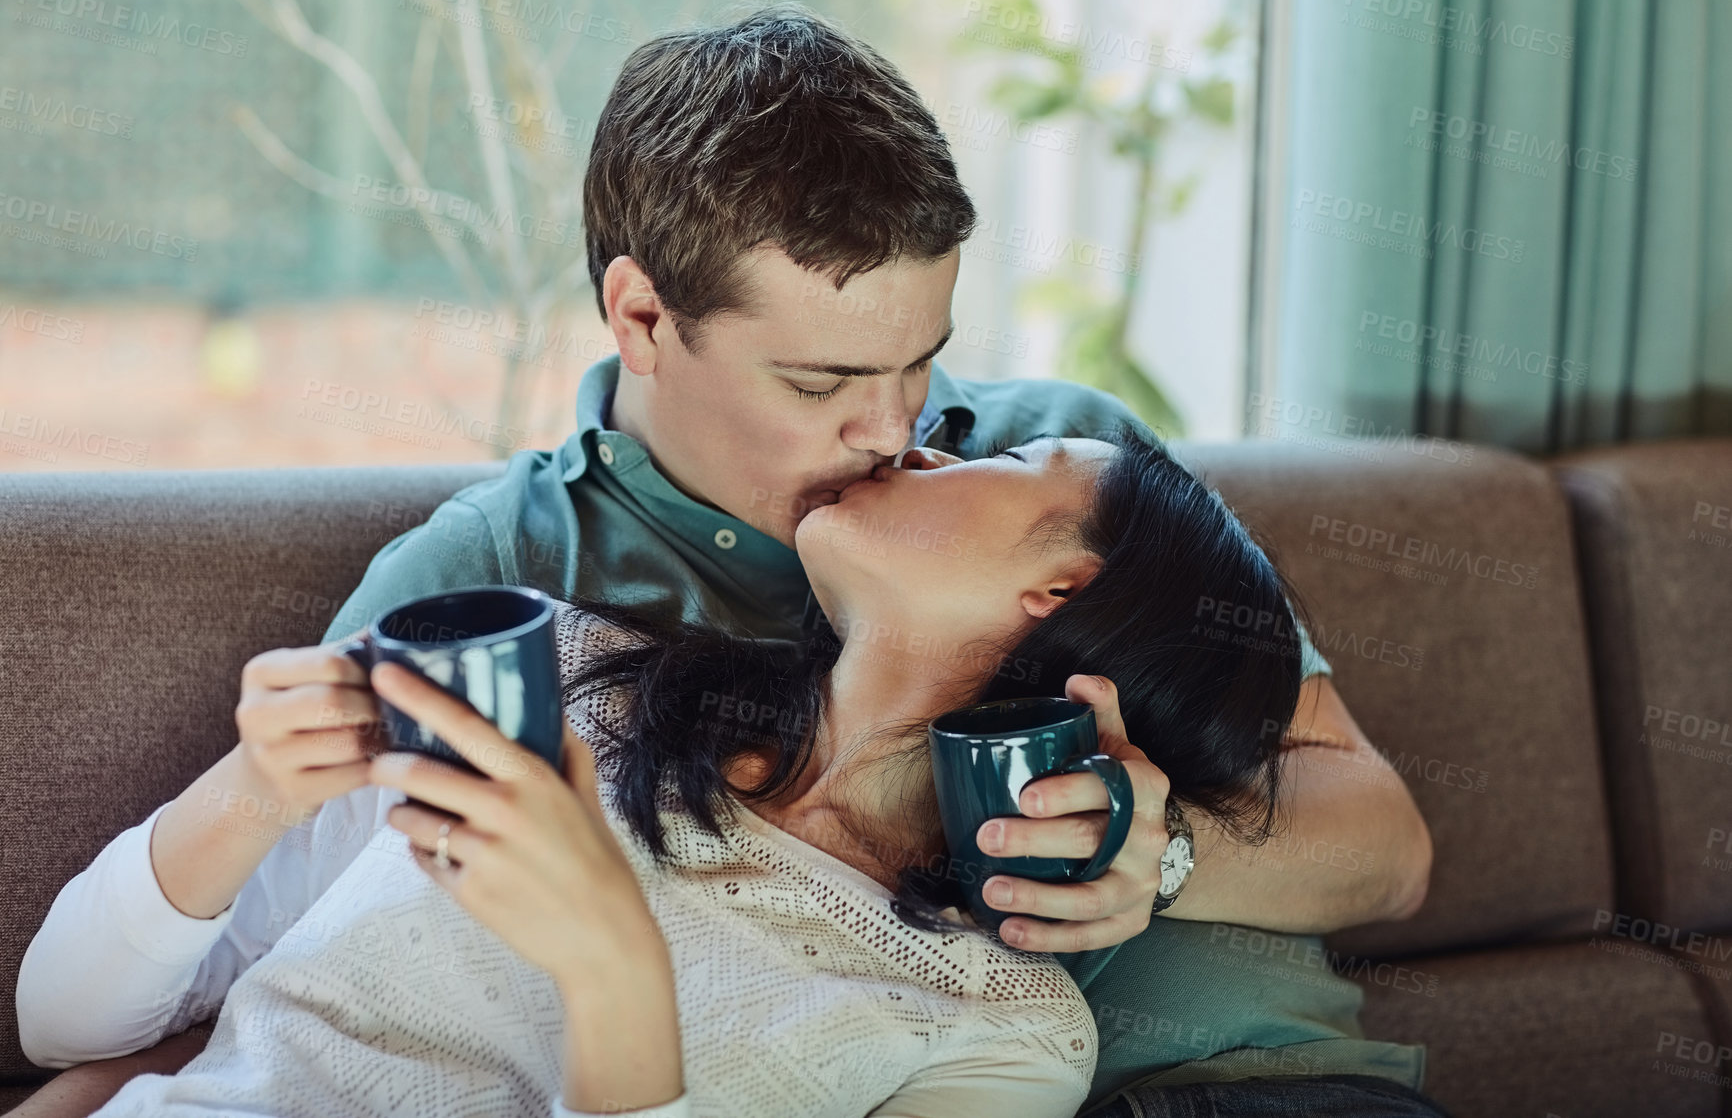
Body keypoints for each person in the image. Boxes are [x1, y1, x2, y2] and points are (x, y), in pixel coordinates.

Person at [15, 2, 1442, 1118]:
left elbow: (1384, 842)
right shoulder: (517, 594)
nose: (903, 428)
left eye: (925, 361)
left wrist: (1162, 859)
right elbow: (281, 976)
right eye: (824, 381)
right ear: (641, 317)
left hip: (1262, 1085)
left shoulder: (1078, 463)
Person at [27, 423, 1314, 1116]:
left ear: (1061, 588)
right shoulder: (560, 671)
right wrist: (251, 783)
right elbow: (60, 1028)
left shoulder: (1004, 1041)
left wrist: (610, 966)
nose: (916, 440)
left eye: (1000, 457)